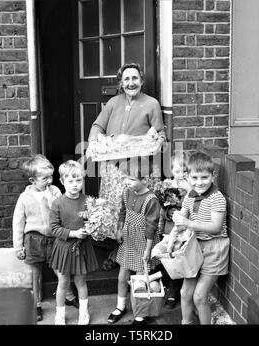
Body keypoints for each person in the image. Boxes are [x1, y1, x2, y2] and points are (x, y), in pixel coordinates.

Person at [87, 63, 166, 247]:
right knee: (115, 208)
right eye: (126, 79)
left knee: (137, 210)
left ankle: (139, 252)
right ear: (121, 83)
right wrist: (94, 141)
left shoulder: (151, 104)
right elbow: (98, 126)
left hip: (140, 169)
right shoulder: (114, 103)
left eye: (135, 78)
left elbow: (161, 133)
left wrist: (157, 139)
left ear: (142, 81)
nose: (131, 83)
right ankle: (115, 250)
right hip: (114, 168)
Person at [12, 154, 78, 323]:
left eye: (51, 176)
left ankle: (69, 296)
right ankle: (36, 304)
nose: (49, 181)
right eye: (44, 178)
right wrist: (18, 247)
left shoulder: (55, 191)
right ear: (32, 180)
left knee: (61, 270)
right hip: (33, 241)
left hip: (54, 239)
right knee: (36, 275)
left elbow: (62, 210)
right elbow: (18, 224)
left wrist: (52, 199)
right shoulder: (24, 198)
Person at [168, 151, 230, 324]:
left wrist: (187, 223)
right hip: (194, 247)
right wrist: (174, 232)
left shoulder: (217, 198)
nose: (199, 182)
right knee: (185, 293)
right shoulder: (190, 195)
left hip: (214, 249)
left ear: (213, 175)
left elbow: (216, 227)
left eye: (204, 177)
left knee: (199, 297)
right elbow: (182, 219)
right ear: (187, 176)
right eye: (194, 177)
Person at [107, 157, 161, 325]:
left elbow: (151, 227)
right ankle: (120, 306)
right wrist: (119, 229)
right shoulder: (126, 192)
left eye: (131, 179)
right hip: (128, 238)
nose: (126, 182)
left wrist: (148, 250)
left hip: (144, 240)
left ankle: (140, 313)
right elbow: (123, 212)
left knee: (140, 279)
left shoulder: (151, 200)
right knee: (123, 275)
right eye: (125, 178)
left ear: (144, 180)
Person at [50, 160, 99, 325]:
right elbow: (54, 228)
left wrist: (93, 227)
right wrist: (73, 233)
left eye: (78, 180)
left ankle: (84, 314)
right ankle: (60, 315)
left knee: (81, 281)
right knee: (63, 282)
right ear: (62, 182)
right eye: (70, 181)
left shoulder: (88, 201)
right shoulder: (57, 203)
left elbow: (95, 222)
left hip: (82, 248)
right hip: (64, 248)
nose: (75, 184)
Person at [157, 153, 190, 309]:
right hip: (168, 229)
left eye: (185, 171)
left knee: (176, 261)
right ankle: (166, 287)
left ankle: (174, 293)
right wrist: (169, 213)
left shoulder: (191, 188)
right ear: (171, 171)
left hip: (183, 231)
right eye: (177, 171)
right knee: (166, 261)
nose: (181, 175)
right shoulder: (167, 186)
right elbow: (161, 210)